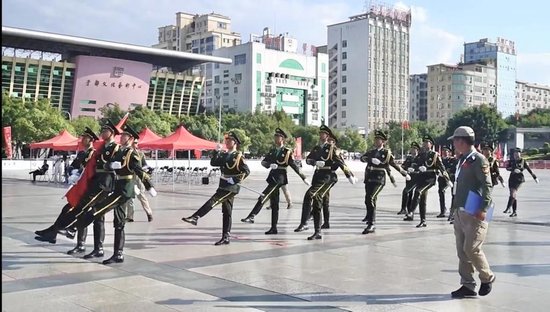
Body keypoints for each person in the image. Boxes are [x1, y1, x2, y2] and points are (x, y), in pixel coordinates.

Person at [70, 124, 156, 264]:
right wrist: (110, 166)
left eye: (124, 136)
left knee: (97, 210)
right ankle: (118, 254)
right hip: (118, 187)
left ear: (130, 138)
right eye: (122, 135)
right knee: (119, 222)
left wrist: (149, 186)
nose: (121, 137)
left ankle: (73, 228)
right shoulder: (121, 151)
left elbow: (139, 171)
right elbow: (107, 164)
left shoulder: (131, 153)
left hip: (124, 190)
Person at [34, 121, 120, 252]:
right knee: (84, 212)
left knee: (90, 213)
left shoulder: (108, 149)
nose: (102, 133)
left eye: (105, 131)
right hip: (93, 183)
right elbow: (80, 166)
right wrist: (75, 174)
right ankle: (63, 235)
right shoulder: (99, 148)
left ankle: (64, 233)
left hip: (102, 184)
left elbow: (106, 166)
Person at [448, 126, 495, 298]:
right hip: (461, 211)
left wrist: (483, 208)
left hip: (475, 211)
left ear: (461, 141)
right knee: (462, 251)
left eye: (454, 140)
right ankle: (467, 285)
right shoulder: (462, 159)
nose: (453, 144)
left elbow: (487, 185)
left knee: (472, 248)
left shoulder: (479, 160)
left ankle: (487, 277)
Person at [182, 131, 250, 245]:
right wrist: (216, 151)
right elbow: (213, 163)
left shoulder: (238, 156)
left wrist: (234, 180)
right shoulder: (224, 154)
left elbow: (246, 171)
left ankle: (196, 217)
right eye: (226, 140)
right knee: (227, 212)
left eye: (229, 140)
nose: (227, 142)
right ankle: (226, 237)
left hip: (231, 187)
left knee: (214, 200)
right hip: (223, 185)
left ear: (235, 142)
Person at [241, 128, 309, 234]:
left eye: (278, 137)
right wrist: (269, 165)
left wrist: (303, 177)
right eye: (275, 136)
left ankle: (252, 215)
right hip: (272, 178)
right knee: (275, 204)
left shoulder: (287, 152)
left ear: (283, 139)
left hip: (280, 178)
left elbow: (294, 166)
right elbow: (264, 162)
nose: (276, 138)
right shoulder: (272, 151)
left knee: (263, 196)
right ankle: (274, 228)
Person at [295, 125, 356, 240]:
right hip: (317, 176)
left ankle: (304, 223)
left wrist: (349, 175)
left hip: (327, 177)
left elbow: (340, 163)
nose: (320, 136)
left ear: (327, 136)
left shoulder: (332, 148)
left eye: (323, 134)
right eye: (320, 134)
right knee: (317, 202)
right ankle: (317, 231)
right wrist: (315, 162)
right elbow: (308, 160)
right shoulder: (317, 148)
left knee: (310, 195)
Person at [360, 130, 409, 234]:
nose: (376, 141)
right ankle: (369, 217)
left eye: (379, 140)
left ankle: (371, 224)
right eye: (376, 139)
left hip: (379, 178)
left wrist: (404, 173)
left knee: (371, 198)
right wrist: (370, 160)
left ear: (383, 142)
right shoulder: (372, 152)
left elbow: (394, 165)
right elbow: (362, 158)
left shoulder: (386, 153)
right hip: (369, 178)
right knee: (368, 199)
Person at [404, 135, 451, 228]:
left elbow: (442, 168)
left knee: (418, 191)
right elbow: (415, 164)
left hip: (430, 179)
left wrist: (447, 179)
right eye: (424, 142)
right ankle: (423, 220)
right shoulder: (421, 155)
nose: (424, 144)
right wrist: (413, 168)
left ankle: (411, 211)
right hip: (421, 178)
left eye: (427, 142)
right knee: (422, 200)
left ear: (431, 144)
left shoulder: (435, 155)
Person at [66, 127, 100, 256]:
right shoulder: (81, 153)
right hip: (81, 188)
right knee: (81, 215)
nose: (82, 140)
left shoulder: (94, 154)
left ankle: (98, 247)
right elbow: (72, 166)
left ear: (91, 140)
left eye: (84, 138)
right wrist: (73, 174)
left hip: (92, 189)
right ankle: (80, 244)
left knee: (97, 218)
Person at [123, 139, 153, 222]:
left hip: (138, 177)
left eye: (136, 143)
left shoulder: (140, 153)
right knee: (129, 197)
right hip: (130, 176)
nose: (135, 144)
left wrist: (147, 169)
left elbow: (144, 165)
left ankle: (149, 213)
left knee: (141, 195)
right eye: (134, 142)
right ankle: (130, 216)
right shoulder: (127, 152)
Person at [504, 148, 539, 217]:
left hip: (519, 179)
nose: (516, 154)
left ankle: (508, 208)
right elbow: (507, 168)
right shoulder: (511, 161)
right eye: (514, 153)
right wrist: (513, 169)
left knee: (513, 193)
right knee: (513, 195)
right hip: (512, 178)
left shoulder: (523, 161)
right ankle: (514, 212)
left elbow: (529, 170)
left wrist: (535, 177)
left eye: (517, 153)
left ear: (520, 154)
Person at [437, 146, 457, 218]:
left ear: (449, 153)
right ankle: (442, 210)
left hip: (451, 179)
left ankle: (452, 210)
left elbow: (454, 168)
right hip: (442, 179)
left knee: (453, 194)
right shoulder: (440, 160)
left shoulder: (453, 160)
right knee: (441, 192)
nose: (445, 153)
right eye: (443, 151)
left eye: (446, 151)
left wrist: (449, 171)